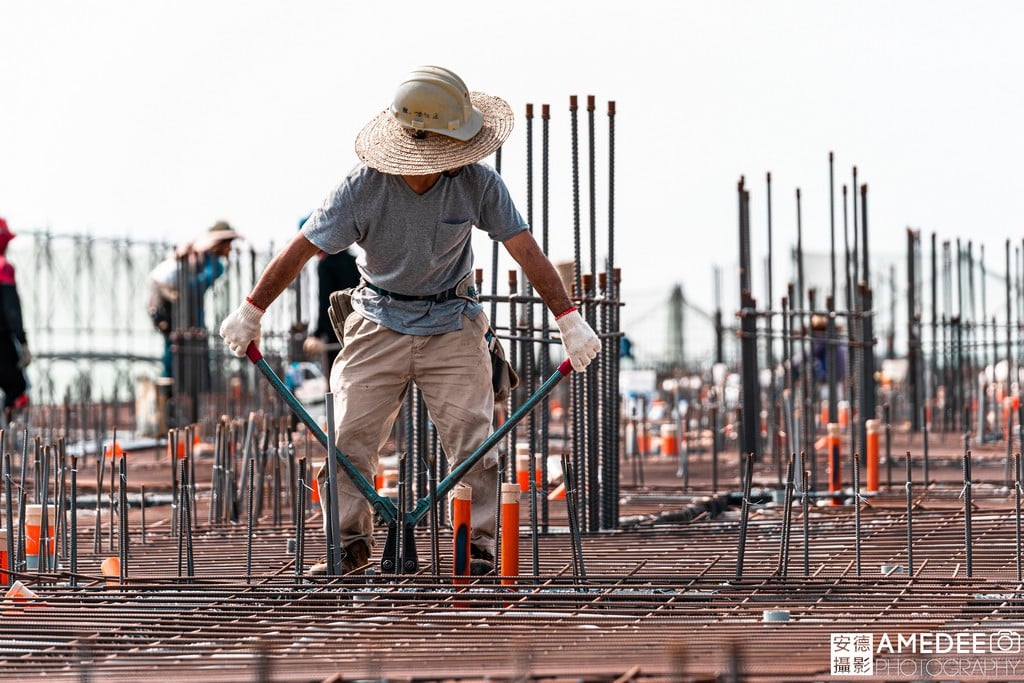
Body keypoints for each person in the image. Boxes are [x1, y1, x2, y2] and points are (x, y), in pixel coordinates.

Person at [219, 65, 601, 576]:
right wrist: (251, 310)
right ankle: (347, 546)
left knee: (474, 441)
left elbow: (525, 250)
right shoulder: (362, 188)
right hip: (378, 318)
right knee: (348, 435)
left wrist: (568, 319)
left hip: (453, 319)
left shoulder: (477, 183)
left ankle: (477, 547)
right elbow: (301, 249)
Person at [149, 221, 241, 379]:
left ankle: (171, 385)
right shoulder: (214, 264)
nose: (230, 249)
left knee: (173, 346)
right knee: (179, 348)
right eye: (228, 244)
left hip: (162, 296)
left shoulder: (198, 255)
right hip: (167, 299)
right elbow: (192, 288)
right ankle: (174, 386)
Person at [0, 217, 31, 421]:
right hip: (1, 340)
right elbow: (11, 311)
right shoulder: (4, 268)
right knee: (18, 387)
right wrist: (23, 341)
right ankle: (6, 437)